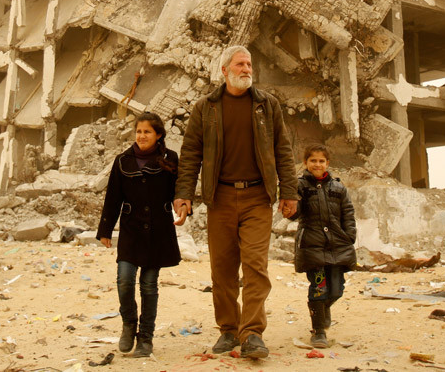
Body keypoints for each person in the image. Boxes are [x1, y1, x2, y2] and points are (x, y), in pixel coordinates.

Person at [173, 45, 297, 359]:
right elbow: (190, 154)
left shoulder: (267, 106)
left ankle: (252, 333)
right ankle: (228, 330)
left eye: (249, 65)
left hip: (258, 197)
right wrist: (184, 194)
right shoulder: (206, 107)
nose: (247, 70)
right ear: (225, 70)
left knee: (256, 266)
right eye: (240, 65)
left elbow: (283, 150)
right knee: (222, 270)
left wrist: (290, 192)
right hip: (221, 198)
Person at [96, 111, 181, 358]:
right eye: (139, 131)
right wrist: (105, 230)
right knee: (124, 279)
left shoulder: (170, 159)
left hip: (159, 232)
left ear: (158, 135)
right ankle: (128, 324)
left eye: (147, 132)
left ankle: (145, 338)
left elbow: (181, 189)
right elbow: (112, 197)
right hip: (132, 230)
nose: (142, 136)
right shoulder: (122, 160)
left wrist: (184, 206)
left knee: (149, 286)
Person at [291, 145, 356, 348]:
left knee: (336, 290)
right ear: (306, 163)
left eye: (321, 161)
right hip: (313, 247)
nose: (317, 164)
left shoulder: (338, 188)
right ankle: (318, 330)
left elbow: (348, 213)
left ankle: (323, 310)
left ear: (328, 163)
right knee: (319, 288)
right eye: (313, 161)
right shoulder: (299, 186)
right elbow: (294, 212)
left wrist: (350, 236)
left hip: (337, 246)